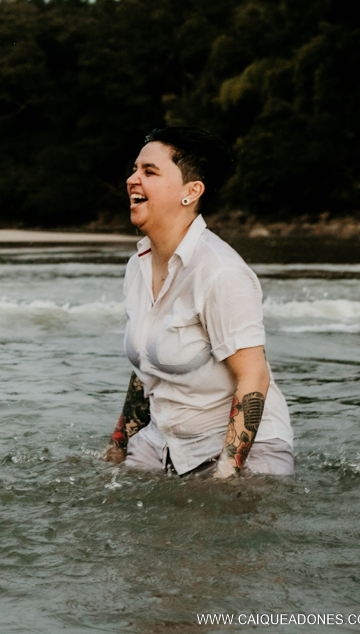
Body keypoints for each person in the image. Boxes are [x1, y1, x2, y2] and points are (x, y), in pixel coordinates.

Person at [102, 127, 294, 477]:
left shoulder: (220, 272)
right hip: (162, 443)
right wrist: (119, 444)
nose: (132, 179)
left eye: (149, 171)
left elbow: (254, 376)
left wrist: (228, 472)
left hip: (243, 453)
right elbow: (145, 368)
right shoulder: (137, 266)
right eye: (134, 169)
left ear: (191, 192)